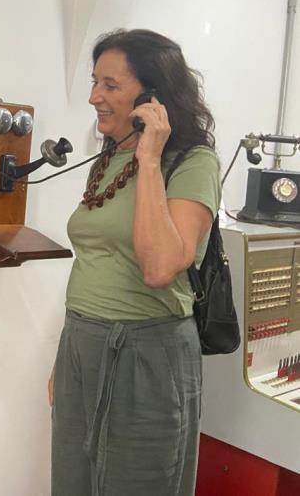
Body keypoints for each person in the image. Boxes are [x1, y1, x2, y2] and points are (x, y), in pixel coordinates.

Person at [49, 29, 221, 496]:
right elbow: (97, 262)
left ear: (153, 97)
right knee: (72, 483)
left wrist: (150, 160)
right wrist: (68, 357)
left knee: (139, 485)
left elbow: (160, 267)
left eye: (110, 85)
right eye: (94, 82)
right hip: (82, 342)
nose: (94, 97)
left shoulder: (192, 163)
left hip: (147, 352)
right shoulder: (108, 158)